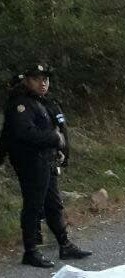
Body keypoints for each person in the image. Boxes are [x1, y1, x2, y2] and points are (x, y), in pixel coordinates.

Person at [1, 64, 92, 268]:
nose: (43, 83)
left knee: (53, 204)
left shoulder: (40, 102)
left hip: (45, 161)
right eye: (38, 79)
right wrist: (53, 137)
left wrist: (60, 147)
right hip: (30, 163)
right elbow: (24, 133)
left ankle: (65, 245)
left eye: (46, 79)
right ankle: (31, 252)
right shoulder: (20, 104)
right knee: (33, 206)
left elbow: (54, 130)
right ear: (27, 80)